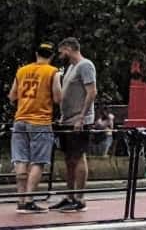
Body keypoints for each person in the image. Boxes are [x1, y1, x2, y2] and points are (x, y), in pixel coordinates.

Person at [7, 43, 59, 213]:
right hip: (40, 121)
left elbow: (12, 95)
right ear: (51, 56)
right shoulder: (52, 72)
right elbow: (58, 97)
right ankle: (29, 199)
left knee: (21, 159)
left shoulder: (21, 71)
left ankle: (20, 199)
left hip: (20, 119)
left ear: (36, 53)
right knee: (39, 161)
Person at [50, 38, 98, 213]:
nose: (60, 55)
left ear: (69, 49)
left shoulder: (86, 66)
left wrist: (81, 117)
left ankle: (79, 197)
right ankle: (69, 195)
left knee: (78, 156)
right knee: (69, 158)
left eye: (62, 51)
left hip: (79, 120)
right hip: (67, 119)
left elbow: (92, 92)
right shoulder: (70, 68)